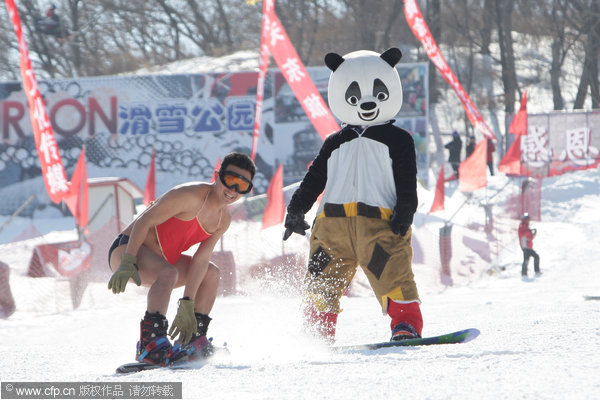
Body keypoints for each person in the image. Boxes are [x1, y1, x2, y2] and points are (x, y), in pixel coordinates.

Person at [284, 48, 423, 344]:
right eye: (354, 97)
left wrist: (406, 211)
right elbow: (314, 179)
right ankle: (316, 334)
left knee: (393, 273)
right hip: (331, 225)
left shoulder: (398, 140)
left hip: (379, 223)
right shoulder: (334, 142)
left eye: (377, 94)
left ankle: (405, 325)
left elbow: (407, 181)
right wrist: (296, 209)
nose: (367, 102)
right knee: (322, 280)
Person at [107, 152, 255, 365]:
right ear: (217, 175)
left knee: (211, 273)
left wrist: (188, 302)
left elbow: (201, 260)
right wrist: (128, 260)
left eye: (242, 186)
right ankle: (150, 345)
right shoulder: (190, 196)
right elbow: (143, 221)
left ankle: (193, 340)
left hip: (162, 260)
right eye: (230, 180)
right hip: (128, 248)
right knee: (168, 273)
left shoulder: (223, 220)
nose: (233, 190)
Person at [518, 213, 541, 277]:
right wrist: (529, 232)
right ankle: (525, 273)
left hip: (528, 246)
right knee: (530, 258)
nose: (529, 220)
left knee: (529, 258)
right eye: (527, 219)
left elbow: (529, 237)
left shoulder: (526, 226)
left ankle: (526, 273)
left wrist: (532, 234)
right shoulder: (522, 226)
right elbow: (522, 234)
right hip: (525, 246)